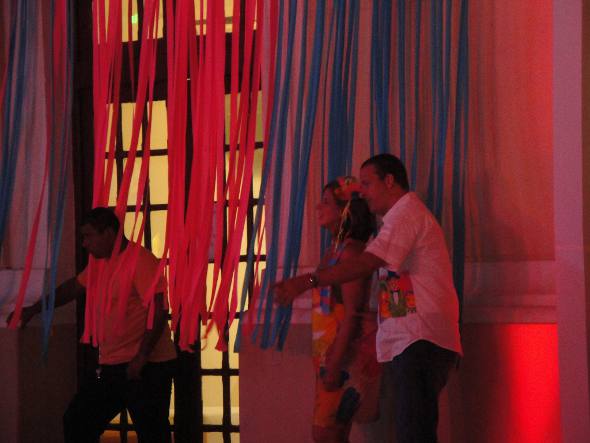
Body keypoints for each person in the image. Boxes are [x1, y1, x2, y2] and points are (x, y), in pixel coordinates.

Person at [275, 154, 462, 443]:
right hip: (410, 341)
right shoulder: (394, 221)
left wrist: (306, 281)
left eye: (366, 183)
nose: (362, 192)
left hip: (421, 340)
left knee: (413, 433)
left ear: (389, 181)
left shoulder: (407, 214)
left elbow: (365, 264)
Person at [7, 207, 176, 443]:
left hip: (147, 366)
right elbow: (72, 288)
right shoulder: (100, 263)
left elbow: (158, 310)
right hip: (113, 365)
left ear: (109, 234)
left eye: (89, 236)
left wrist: (142, 356)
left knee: (152, 433)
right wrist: (34, 309)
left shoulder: (140, 260)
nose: (84, 243)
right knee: (77, 420)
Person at [307, 177, 382, 442]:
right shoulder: (334, 251)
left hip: (342, 358)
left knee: (326, 434)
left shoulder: (350, 254)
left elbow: (352, 314)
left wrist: (336, 363)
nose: (319, 207)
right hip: (330, 356)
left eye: (326, 202)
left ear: (345, 211)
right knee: (331, 434)